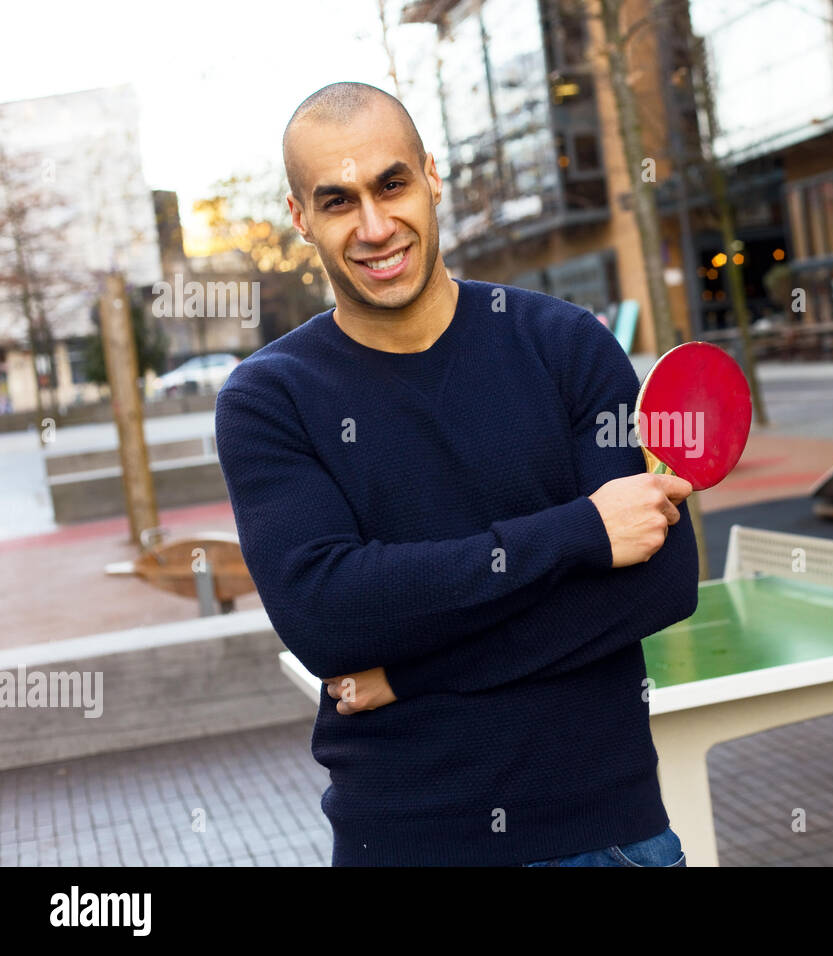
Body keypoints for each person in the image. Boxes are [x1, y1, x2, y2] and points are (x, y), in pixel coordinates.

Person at [214, 82, 698, 867]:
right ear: (301, 218)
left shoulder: (566, 345)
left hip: (604, 835)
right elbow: (325, 617)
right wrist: (579, 533)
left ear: (432, 176)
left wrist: (408, 667)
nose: (375, 227)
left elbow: (659, 581)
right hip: (406, 839)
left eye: (392, 184)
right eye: (339, 202)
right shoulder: (269, 399)